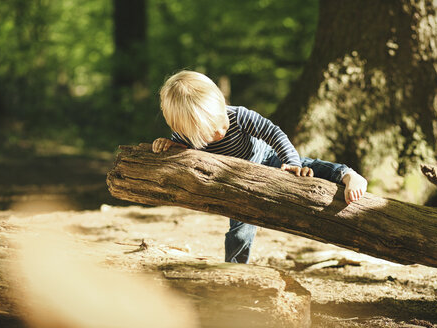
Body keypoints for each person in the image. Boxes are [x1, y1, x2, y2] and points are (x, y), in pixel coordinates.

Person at [152, 70, 368, 264]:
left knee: (306, 167)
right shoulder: (185, 132)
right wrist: (171, 146)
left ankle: (345, 173)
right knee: (240, 230)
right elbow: (184, 151)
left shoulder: (238, 116)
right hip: (236, 180)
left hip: (264, 160)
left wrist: (291, 162)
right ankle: (235, 271)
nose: (218, 133)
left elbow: (274, 134)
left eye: (218, 124)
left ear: (220, 104)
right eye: (207, 133)